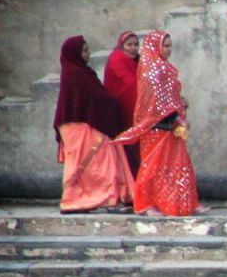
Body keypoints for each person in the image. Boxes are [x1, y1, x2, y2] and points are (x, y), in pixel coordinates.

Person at [113, 31, 201, 216]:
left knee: (176, 165)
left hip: (172, 123)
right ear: (155, 46)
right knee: (152, 167)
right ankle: (144, 205)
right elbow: (155, 101)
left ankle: (177, 203)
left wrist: (179, 112)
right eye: (165, 46)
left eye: (170, 46)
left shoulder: (164, 67)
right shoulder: (153, 69)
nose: (169, 50)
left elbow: (170, 97)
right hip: (157, 125)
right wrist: (177, 115)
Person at [53, 35, 133, 213]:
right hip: (83, 127)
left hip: (80, 126)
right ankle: (101, 199)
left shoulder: (79, 72)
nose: (88, 54)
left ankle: (83, 200)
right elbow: (95, 99)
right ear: (74, 53)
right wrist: (114, 104)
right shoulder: (77, 74)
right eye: (84, 50)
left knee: (86, 165)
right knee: (98, 162)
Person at [103, 31, 141, 175]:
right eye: (129, 44)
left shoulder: (137, 61)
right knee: (128, 153)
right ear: (121, 46)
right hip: (122, 114)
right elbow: (132, 85)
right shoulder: (117, 60)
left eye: (136, 45)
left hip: (134, 115)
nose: (133, 48)